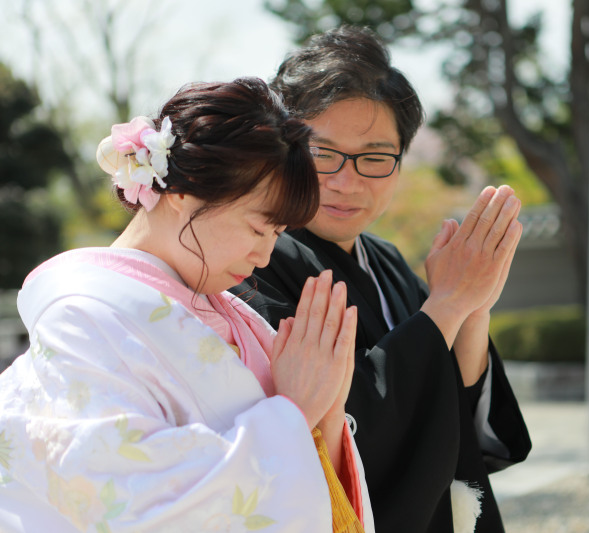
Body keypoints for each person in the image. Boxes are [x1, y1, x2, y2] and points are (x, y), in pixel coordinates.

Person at [0, 77, 375, 533]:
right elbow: (132, 501)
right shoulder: (81, 318)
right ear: (182, 193)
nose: (264, 256)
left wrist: (327, 411)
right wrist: (293, 412)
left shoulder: (238, 316)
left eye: (277, 235)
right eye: (258, 229)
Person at [235, 26, 532, 533]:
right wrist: (446, 305)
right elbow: (340, 428)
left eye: (374, 157)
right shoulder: (253, 263)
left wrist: (472, 308)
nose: (346, 182)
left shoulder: (386, 259)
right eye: (322, 153)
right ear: (282, 148)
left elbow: (459, 416)